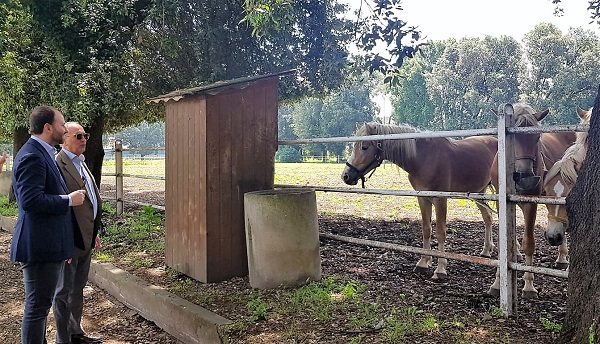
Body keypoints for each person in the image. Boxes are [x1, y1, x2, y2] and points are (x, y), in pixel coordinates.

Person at [10, 106, 86, 344]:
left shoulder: (42, 152)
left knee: (39, 308)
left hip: (49, 245)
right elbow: (31, 201)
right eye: (63, 125)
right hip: (40, 246)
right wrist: (68, 200)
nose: (65, 130)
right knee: (37, 309)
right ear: (48, 127)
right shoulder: (33, 155)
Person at [54, 122, 102, 344]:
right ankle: (63, 339)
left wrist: (93, 233)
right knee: (63, 292)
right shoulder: (58, 164)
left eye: (85, 135)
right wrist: (64, 242)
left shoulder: (81, 163)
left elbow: (90, 202)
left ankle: (76, 334)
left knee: (77, 289)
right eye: (78, 136)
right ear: (64, 139)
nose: (84, 139)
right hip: (69, 241)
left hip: (86, 239)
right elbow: (59, 208)